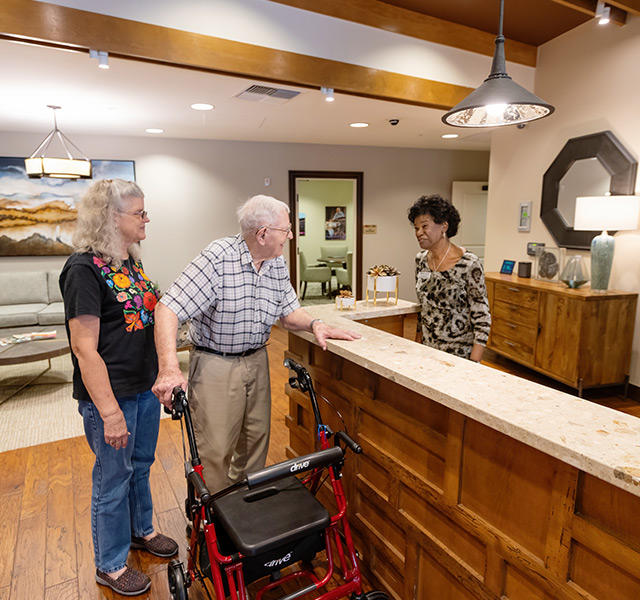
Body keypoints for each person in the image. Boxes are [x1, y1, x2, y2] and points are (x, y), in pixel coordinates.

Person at [152, 194, 360, 493]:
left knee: (255, 442)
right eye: (286, 230)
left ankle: (242, 516)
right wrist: (169, 369)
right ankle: (209, 527)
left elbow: (289, 313)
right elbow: (168, 308)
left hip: (257, 360)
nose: (290, 235)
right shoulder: (217, 258)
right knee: (215, 450)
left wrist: (316, 324)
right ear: (262, 233)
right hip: (216, 363)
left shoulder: (275, 263)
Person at [60, 179, 177, 597]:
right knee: (113, 477)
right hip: (111, 396)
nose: (146, 219)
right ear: (111, 218)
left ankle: (140, 532)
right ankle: (110, 564)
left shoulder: (129, 261)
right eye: (139, 213)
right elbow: (83, 349)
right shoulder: (82, 269)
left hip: (143, 389)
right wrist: (108, 412)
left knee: (140, 465)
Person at [408, 194, 491, 362]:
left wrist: (474, 362)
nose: (419, 233)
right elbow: (424, 308)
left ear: (444, 226)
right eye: (416, 228)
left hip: (460, 354)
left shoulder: (468, 263)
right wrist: (418, 345)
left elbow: (482, 317)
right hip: (428, 351)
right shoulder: (421, 260)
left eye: (425, 226)